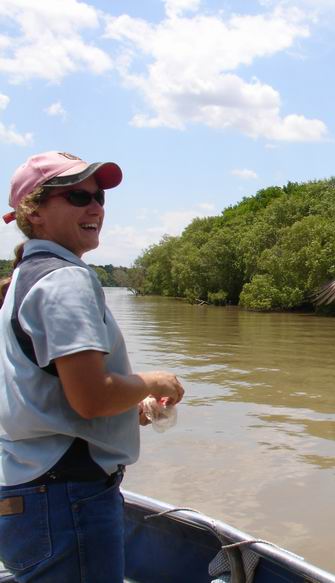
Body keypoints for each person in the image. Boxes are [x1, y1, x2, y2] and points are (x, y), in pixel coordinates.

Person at [0, 151, 185, 582]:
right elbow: (92, 397)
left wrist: (131, 408)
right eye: (78, 196)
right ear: (34, 211)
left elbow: (47, 393)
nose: (96, 207)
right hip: (67, 499)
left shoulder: (24, 277)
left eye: (100, 197)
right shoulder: (66, 279)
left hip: (30, 492)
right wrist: (153, 382)